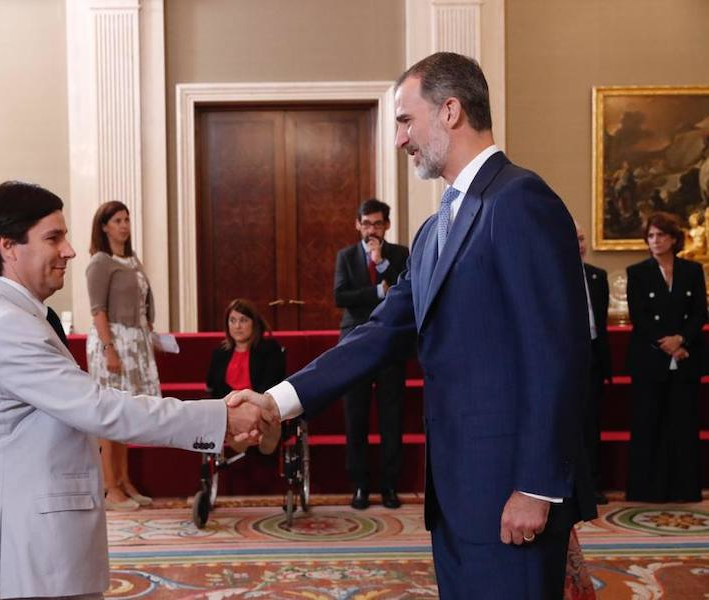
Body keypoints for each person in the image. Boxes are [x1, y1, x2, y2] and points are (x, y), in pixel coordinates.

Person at [229, 52, 595, 599]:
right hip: (456, 495)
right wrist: (276, 400)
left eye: (405, 119)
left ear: (450, 111)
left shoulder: (519, 200)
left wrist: (537, 487)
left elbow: (555, 355)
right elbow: (377, 334)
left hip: (511, 491)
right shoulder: (431, 232)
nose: (400, 138)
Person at [0, 181, 270, 600]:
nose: (70, 250)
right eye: (53, 237)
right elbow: (100, 409)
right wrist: (218, 418)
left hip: (34, 553)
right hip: (22, 560)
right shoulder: (6, 324)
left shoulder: (17, 314)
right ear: (9, 246)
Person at [334, 198, 410, 509]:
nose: (371, 230)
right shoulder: (346, 256)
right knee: (356, 417)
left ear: (387, 225)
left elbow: (405, 291)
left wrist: (380, 264)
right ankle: (360, 485)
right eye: (366, 224)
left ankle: (389, 485)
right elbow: (341, 296)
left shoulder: (400, 254)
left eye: (377, 224)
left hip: (389, 343)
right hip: (355, 343)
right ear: (357, 224)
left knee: (391, 418)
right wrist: (379, 292)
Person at [625, 211, 706, 503]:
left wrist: (681, 339)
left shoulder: (692, 271)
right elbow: (639, 316)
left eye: (660, 235)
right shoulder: (637, 272)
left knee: (683, 424)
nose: (655, 240)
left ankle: (684, 488)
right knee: (649, 424)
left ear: (673, 238)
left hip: (686, 358)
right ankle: (648, 490)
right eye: (650, 236)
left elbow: (699, 312)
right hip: (650, 359)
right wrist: (668, 344)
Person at [85, 200, 158, 510]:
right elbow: (97, 310)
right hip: (112, 341)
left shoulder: (131, 260)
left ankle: (125, 480)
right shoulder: (100, 262)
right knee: (109, 415)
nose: (124, 225)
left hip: (135, 341)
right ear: (104, 226)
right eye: (117, 220)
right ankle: (108, 485)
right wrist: (109, 349)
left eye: (127, 219)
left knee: (126, 414)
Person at [206, 298, 285, 455]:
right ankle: (244, 437)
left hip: (260, 407)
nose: (237, 326)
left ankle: (262, 437)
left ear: (254, 323)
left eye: (243, 320)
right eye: (232, 320)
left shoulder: (270, 349)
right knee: (228, 416)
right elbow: (213, 387)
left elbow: (272, 385)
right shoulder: (220, 353)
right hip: (232, 409)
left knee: (263, 412)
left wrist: (253, 408)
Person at [576, 223, 612, 505]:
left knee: (592, 423)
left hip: (593, 357)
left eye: (582, 238)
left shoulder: (598, 277)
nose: (580, 244)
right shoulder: (553, 273)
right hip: (566, 359)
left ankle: (593, 484)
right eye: (574, 239)